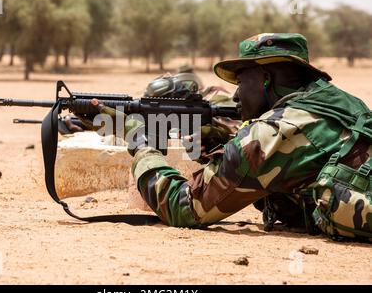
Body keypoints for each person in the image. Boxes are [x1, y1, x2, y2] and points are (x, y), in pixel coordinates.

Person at [90, 33, 372, 241]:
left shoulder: (271, 133)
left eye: (241, 82)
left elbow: (183, 207)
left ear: (265, 79)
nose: (236, 95)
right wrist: (223, 144)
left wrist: (142, 144)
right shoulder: (343, 103)